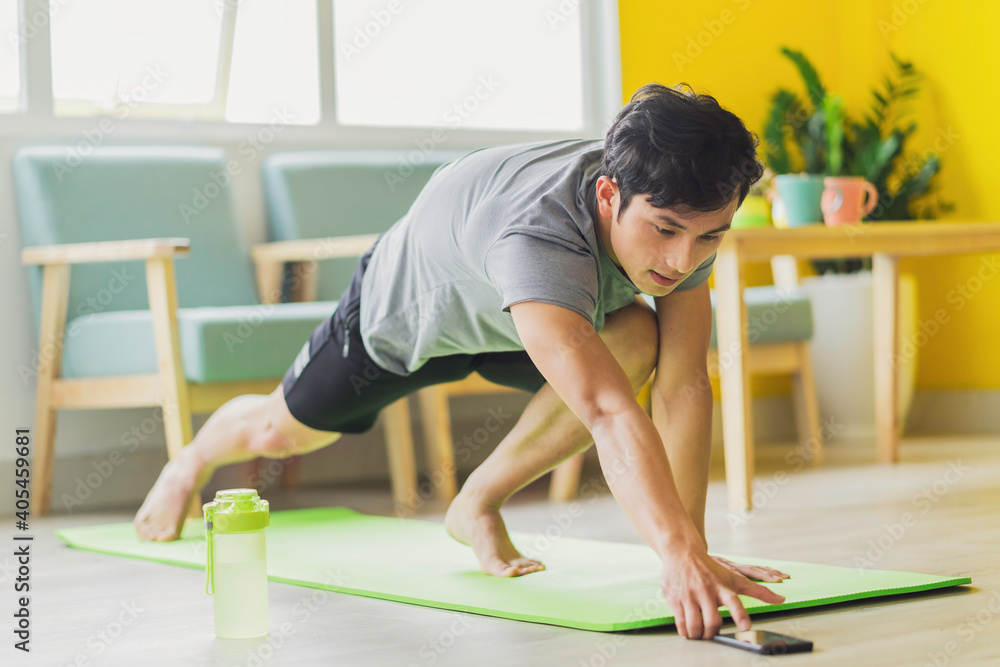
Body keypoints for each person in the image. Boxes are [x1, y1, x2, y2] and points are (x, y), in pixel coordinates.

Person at [134, 83, 789, 640]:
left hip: (526, 322)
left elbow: (681, 386)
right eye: (667, 229)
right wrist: (673, 551)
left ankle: (474, 503)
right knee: (279, 431)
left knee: (638, 338)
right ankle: (188, 461)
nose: (682, 259)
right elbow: (605, 410)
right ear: (610, 195)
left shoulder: (684, 222)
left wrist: (693, 553)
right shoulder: (540, 233)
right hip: (408, 318)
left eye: (710, 235)